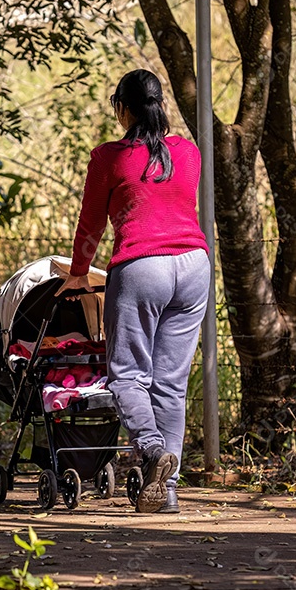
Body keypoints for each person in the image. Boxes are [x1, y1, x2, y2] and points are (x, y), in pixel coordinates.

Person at [57, 69, 210, 514]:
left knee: (127, 375)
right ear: (160, 105)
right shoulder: (189, 152)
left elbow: (92, 223)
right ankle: (169, 491)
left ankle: (151, 447)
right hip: (195, 266)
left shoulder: (108, 157)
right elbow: (172, 204)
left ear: (123, 109)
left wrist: (80, 272)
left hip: (142, 267)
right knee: (170, 384)